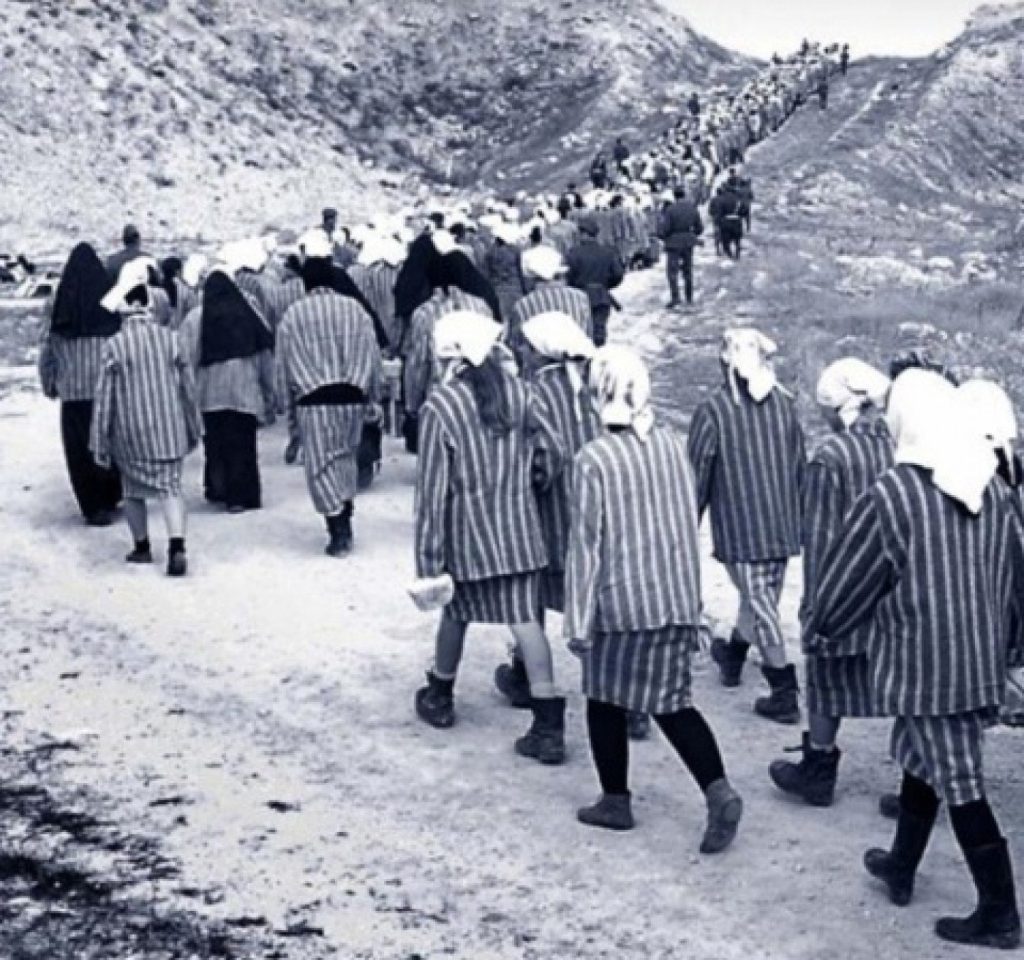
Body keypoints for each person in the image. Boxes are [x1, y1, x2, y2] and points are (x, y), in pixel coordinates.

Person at [810, 370, 1024, 950]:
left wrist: (823, 626)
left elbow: (851, 577)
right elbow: (1014, 577)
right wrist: (1009, 652)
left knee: (961, 782)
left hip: (924, 666)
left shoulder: (895, 494)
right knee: (921, 758)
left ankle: (1000, 913)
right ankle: (901, 864)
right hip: (976, 661)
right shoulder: (991, 488)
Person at [566, 346, 743, 852]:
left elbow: (586, 546)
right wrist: (692, 602)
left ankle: (615, 799)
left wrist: (578, 620)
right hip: (672, 599)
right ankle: (718, 791)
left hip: (620, 606)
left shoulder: (593, 459)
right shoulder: (669, 445)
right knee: (673, 703)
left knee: (603, 697)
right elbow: (685, 523)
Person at [410, 312, 567, 765]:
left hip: (467, 539)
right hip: (519, 533)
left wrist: (429, 561)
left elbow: (432, 493)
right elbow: (553, 450)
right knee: (526, 622)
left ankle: (440, 694)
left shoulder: (441, 406)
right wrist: (532, 483)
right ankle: (548, 723)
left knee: (455, 615)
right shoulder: (521, 392)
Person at [769, 359, 893, 806]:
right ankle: (918, 782)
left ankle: (818, 767)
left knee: (824, 675)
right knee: (906, 685)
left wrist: (817, 609)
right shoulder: (898, 445)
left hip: (845, 588)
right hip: (893, 590)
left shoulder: (830, 458)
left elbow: (821, 541)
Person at [688, 329, 805, 723]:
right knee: (759, 599)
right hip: (781, 523)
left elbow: (698, 473)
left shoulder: (713, 410)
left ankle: (783, 689)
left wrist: (688, 522)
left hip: (740, 527)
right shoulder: (785, 404)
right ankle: (733, 653)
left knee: (760, 604)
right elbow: (799, 464)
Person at [494, 312, 601, 708]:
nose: (520, 351)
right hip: (594, 507)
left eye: (525, 345)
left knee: (531, 594)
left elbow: (546, 454)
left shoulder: (532, 393)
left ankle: (528, 676)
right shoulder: (592, 386)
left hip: (551, 510)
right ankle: (619, 693)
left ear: (539, 352)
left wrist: (526, 480)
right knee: (590, 599)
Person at [90, 259, 202, 577]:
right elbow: (188, 388)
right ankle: (177, 546)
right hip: (169, 431)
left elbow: (105, 398)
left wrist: (99, 441)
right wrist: (194, 427)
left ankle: (142, 547)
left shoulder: (114, 346)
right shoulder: (171, 339)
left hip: (130, 434)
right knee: (171, 489)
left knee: (132, 491)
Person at [277, 243, 383, 557]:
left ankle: (337, 525)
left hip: (313, 401)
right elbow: (373, 355)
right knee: (346, 457)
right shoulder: (355, 310)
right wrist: (374, 397)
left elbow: (283, 364)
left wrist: (285, 407)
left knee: (320, 466)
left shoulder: (293, 315)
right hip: (352, 396)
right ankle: (345, 509)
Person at [38, 242, 123, 525]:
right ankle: (111, 495)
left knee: (79, 452)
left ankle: (93, 506)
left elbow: (48, 344)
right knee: (110, 444)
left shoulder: (58, 300)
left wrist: (50, 383)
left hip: (73, 391)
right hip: (106, 389)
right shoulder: (109, 298)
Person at [181, 269, 276, 514]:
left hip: (209, 394)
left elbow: (187, 359)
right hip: (245, 391)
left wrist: (187, 397)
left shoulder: (196, 318)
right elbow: (264, 354)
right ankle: (242, 496)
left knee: (215, 444)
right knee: (243, 444)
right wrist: (270, 393)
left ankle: (217, 488)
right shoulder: (248, 314)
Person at [510, 246, 593, 350]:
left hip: (539, 359)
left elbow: (516, 344)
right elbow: (589, 334)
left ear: (530, 278)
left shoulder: (522, 306)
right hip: (578, 355)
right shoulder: (581, 298)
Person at [565, 216, 624, 348]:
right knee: (599, 331)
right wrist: (606, 285)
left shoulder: (573, 253)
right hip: (601, 296)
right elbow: (618, 274)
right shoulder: (608, 252)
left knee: (580, 333)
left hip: (578, 297)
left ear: (584, 234)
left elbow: (568, 276)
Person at [658, 186, 703, 308]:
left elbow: (665, 229)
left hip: (673, 242)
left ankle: (675, 297)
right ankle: (689, 297)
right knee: (688, 270)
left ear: (674, 196)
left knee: (672, 272)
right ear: (684, 194)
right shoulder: (692, 208)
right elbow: (699, 228)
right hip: (688, 241)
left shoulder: (670, 210)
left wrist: (662, 236)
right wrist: (691, 234)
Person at [484, 222, 527, 325]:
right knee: (518, 320)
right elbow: (520, 272)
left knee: (502, 321)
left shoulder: (490, 252)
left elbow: (487, 274)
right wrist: (525, 290)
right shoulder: (515, 250)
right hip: (515, 288)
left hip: (497, 290)